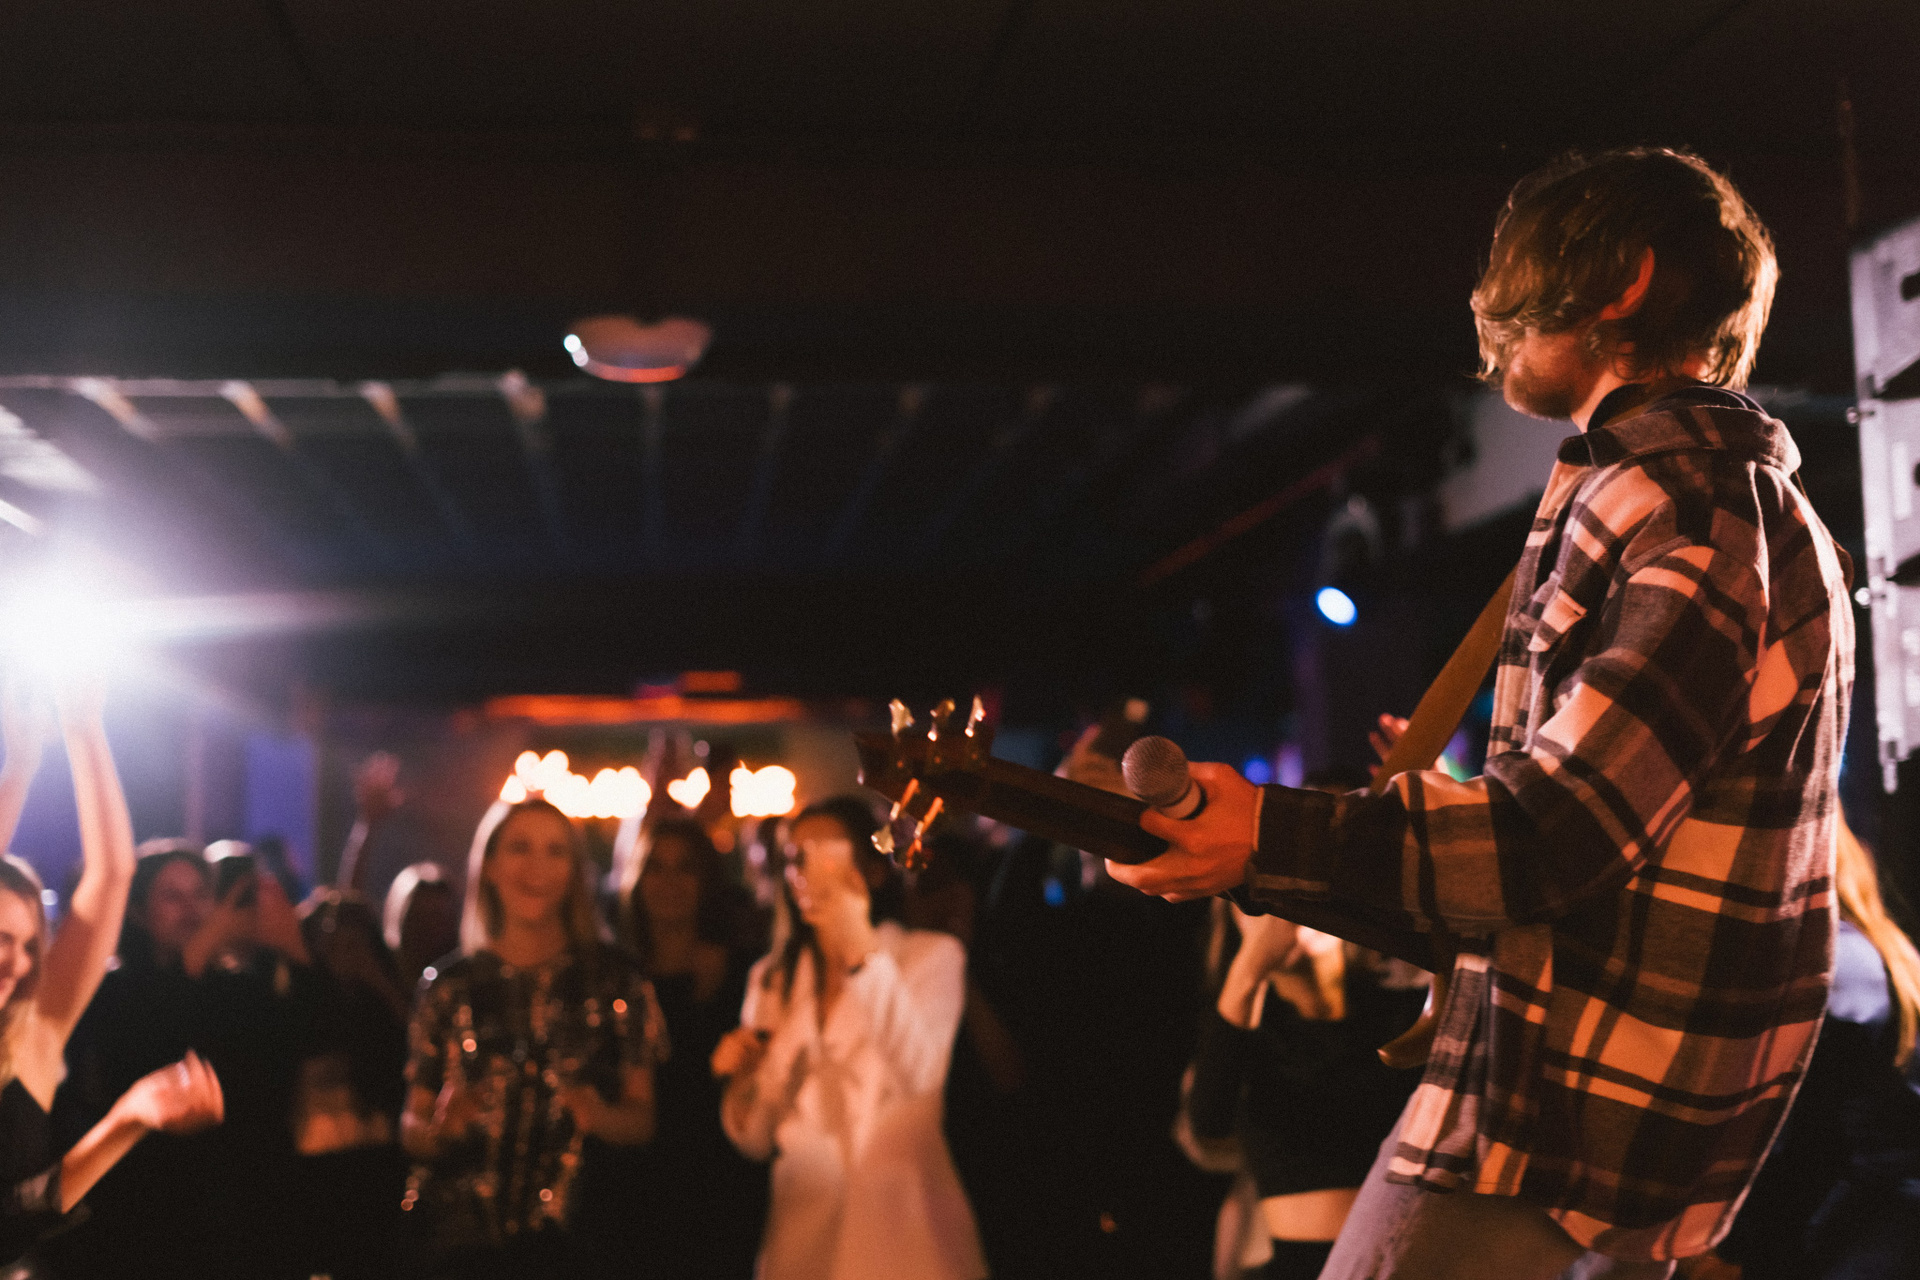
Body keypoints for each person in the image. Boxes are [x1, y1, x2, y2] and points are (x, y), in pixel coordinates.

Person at [1108, 147, 1850, 1278]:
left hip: (1563, 1124)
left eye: (1513, 282)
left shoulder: (1693, 510)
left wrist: (1266, 827)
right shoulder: (1667, 499)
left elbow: (1553, 835)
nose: (1487, 320)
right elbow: (1558, 862)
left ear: (1624, 283)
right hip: (1567, 1112)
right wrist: (1268, 853)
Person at [713, 796, 986, 1280]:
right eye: (796, 857)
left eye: (828, 852)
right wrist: (743, 1082)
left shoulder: (930, 956)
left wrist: (857, 943)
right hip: (803, 1233)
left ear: (874, 871)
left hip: (904, 1231)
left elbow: (920, 1076)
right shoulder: (773, 978)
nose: (809, 871)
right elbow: (756, 1139)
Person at [0, 680, 225, 1267]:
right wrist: (19, 767)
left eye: (29, 944)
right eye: (1, 939)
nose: (18, 963)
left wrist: (84, 728)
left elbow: (111, 877)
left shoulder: (29, 1043)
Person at [401, 797, 665, 1280]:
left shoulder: (615, 978)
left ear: (574, 872)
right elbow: (411, 1124)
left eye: (555, 851)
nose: (537, 867)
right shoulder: (448, 986)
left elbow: (642, 1118)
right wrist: (441, 1130)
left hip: (581, 1241)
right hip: (463, 1246)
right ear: (490, 865)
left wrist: (597, 1115)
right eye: (520, 847)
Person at [56, 830, 323, 1279]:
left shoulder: (236, 988)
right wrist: (202, 948)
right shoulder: (113, 992)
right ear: (138, 911)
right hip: (152, 1218)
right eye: (172, 897)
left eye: (201, 894)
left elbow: (308, 1048)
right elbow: (149, 1058)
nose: (193, 909)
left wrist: (292, 946)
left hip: (244, 1214)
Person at [1710, 821, 1920, 1278]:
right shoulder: (1885, 952)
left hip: (1832, 1226)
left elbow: (1803, 1133)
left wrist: (1728, 1242)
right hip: (1877, 1220)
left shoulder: (1827, 966)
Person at [1185, 906, 1427, 1280]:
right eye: (1253, 906)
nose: (1276, 915)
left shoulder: (1398, 1012)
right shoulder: (1245, 1031)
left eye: (1286, 900)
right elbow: (1209, 1121)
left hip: (1403, 1259)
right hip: (1298, 1266)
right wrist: (1249, 966)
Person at [572, 816, 765, 1279]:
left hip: (719, 1194)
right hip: (630, 1200)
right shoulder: (612, 981)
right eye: (656, 867)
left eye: (685, 868)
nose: (670, 882)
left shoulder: (744, 978)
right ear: (635, 879)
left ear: (707, 881)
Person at [290, 888, 413, 1280]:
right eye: (332, 934)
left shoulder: (382, 991)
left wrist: (375, 977)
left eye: (355, 935)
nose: (344, 945)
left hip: (377, 1154)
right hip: (314, 1157)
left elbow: (417, 1044)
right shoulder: (299, 990)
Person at [386, 861, 461, 995]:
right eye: (418, 917)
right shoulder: (379, 972)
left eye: (437, 916)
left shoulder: (460, 984)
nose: (429, 928)